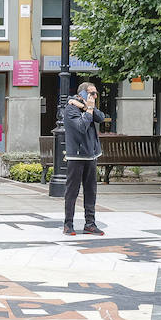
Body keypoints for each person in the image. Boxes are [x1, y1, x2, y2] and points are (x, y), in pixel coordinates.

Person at [61, 82, 106, 236]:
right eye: (91, 93)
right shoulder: (70, 109)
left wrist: (88, 107)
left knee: (91, 190)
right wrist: (88, 110)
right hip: (76, 155)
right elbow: (81, 127)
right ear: (82, 94)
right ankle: (68, 224)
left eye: (95, 93)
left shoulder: (86, 106)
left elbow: (101, 118)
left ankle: (90, 224)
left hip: (91, 155)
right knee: (72, 191)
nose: (94, 96)